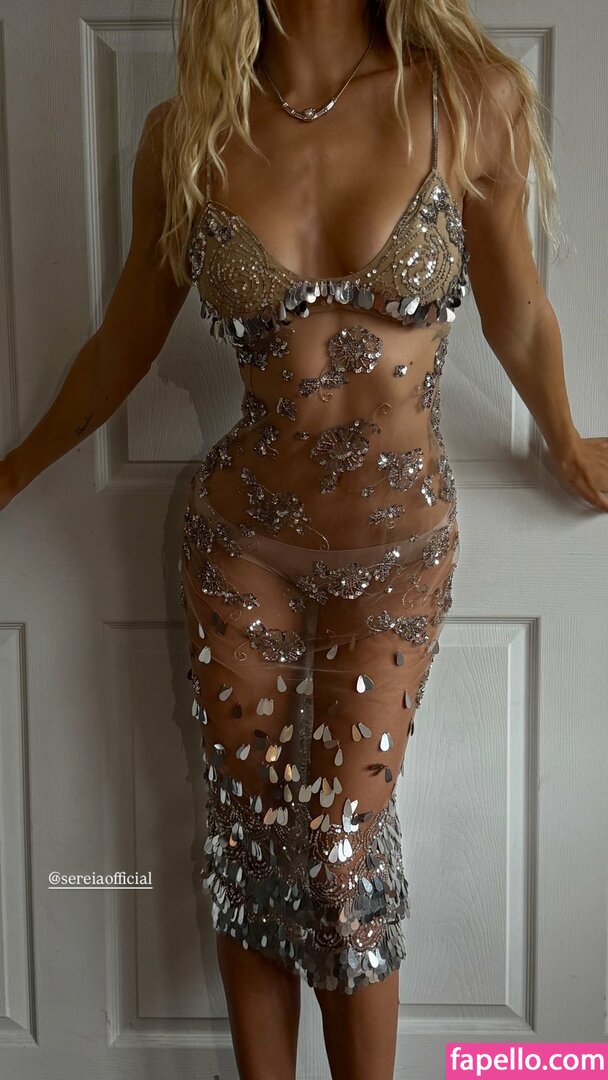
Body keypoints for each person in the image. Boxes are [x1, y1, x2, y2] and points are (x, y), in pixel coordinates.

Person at [1, 1, 607, 1078]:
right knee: (249, 848)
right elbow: (121, 345)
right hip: (240, 548)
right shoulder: (188, 131)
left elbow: (517, 312)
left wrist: (564, 442)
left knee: (336, 853)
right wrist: (10, 471)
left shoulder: (469, 101)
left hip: (396, 559)